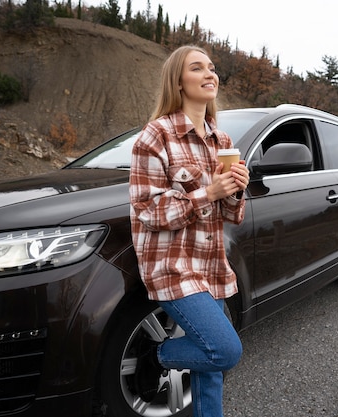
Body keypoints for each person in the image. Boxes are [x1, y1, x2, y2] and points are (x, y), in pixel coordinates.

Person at [129, 45, 250, 417]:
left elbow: (231, 215)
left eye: (212, 68)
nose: (209, 73)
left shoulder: (223, 142)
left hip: (210, 265)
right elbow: (148, 209)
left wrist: (236, 189)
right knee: (225, 351)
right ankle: (158, 354)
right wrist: (208, 192)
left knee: (210, 370)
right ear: (178, 82)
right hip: (172, 266)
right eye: (197, 68)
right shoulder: (155, 136)